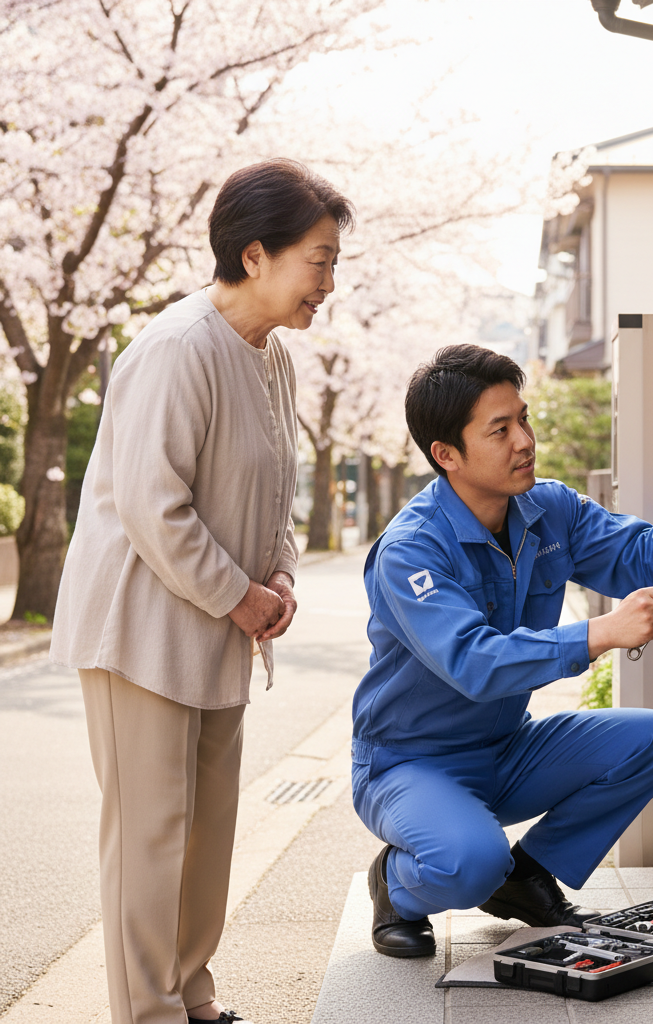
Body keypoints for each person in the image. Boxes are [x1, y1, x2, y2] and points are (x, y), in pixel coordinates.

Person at [50, 159, 353, 1024]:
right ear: (254, 256)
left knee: (207, 833)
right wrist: (243, 597)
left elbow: (274, 492)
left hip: (217, 626)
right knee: (150, 839)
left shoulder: (271, 358)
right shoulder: (178, 346)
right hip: (139, 630)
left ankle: (191, 999)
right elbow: (154, 506)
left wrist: (283, 572)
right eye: (318, 262)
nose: (327, 284)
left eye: (333, 264)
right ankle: (146, 1013)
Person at [352, 344, 653, 957]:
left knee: (652, 740)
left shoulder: (548, 508)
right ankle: (395, 884)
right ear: (446, 455)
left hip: (506, 748)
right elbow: (473, 662)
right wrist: (601, 632)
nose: (524, 441)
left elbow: (643, 561)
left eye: (523, 419)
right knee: (471, 861)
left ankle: (525, 877)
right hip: (409, 764)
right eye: (500, 430)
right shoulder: (410, 551)